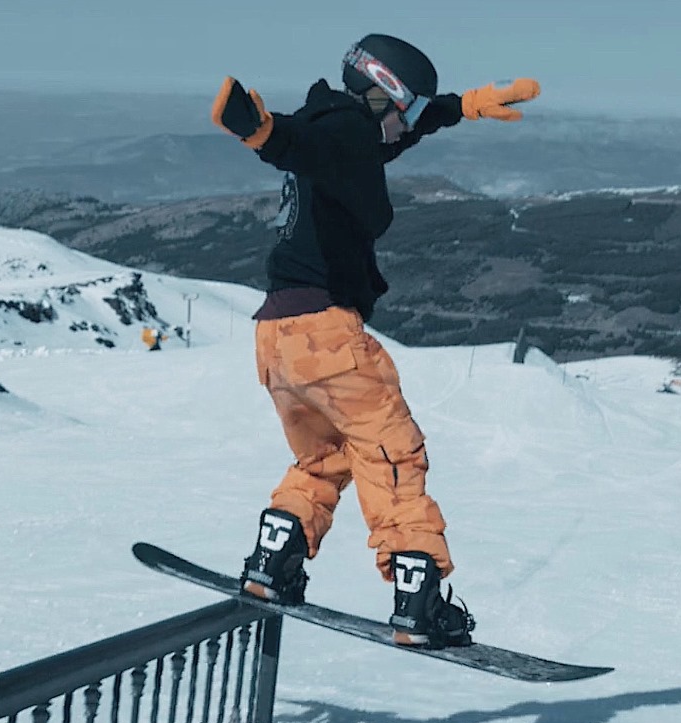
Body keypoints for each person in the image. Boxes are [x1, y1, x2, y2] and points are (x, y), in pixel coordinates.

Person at [210, 33, 539, 646]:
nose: (409, 128)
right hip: (327, 336)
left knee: (325, 457)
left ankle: (273, 562)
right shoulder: (344, 134)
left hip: (277, 340)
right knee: (394, 454)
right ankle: (418, 598)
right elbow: (297, 143)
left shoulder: (349, 134)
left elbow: (347, 139)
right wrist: (261, 132)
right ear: (381, 95)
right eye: (408, 111)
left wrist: (459, 106)